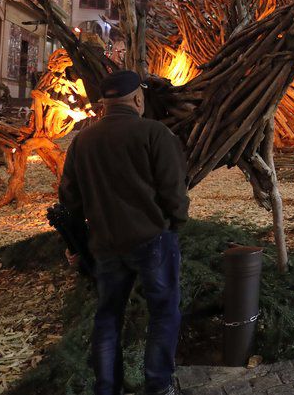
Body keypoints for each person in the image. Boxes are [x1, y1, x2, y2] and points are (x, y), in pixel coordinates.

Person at [58, 70, 188, 395]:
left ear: (104, 104)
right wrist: (174, 224)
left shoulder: (81, 142)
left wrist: (75, 243)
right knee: (163, 312)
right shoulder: (154, 134)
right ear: (138, 99)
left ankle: (107, 388)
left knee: (108, 316)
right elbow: (175, 193)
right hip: (151, 240)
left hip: (105, 244)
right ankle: (158, 386)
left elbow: (69, 200)